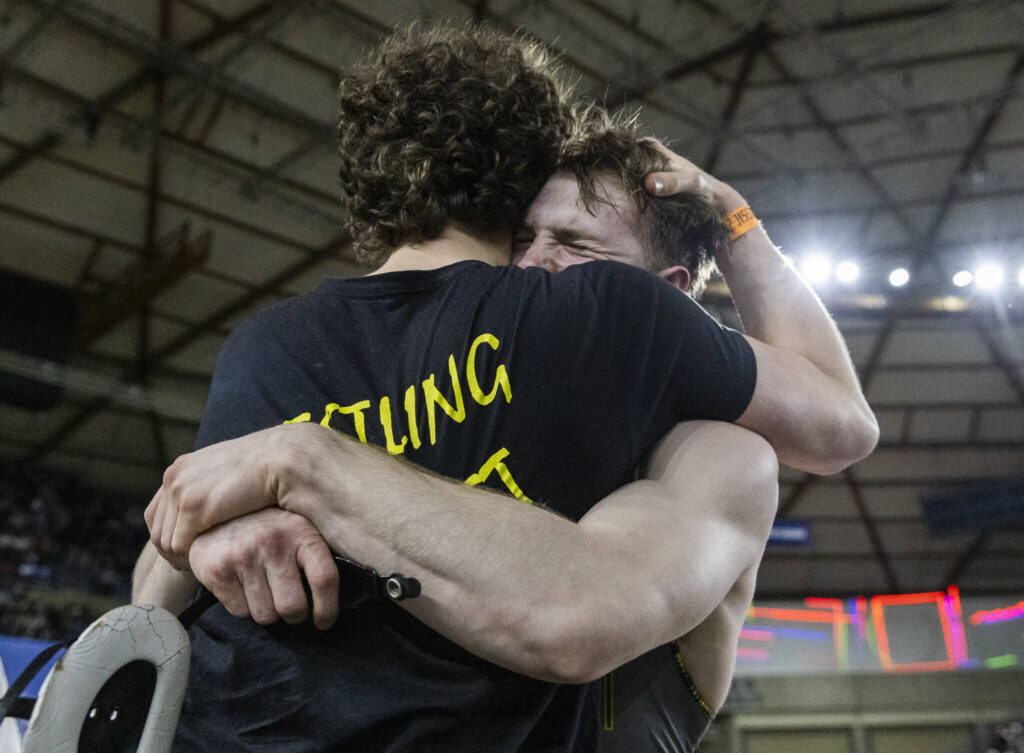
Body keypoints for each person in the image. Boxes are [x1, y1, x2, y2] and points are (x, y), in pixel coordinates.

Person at [135, 23, 876, 752]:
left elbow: (577, 614)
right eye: (527, 238)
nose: (536, 265)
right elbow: (165, 558)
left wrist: (306, 466)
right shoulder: (283, 350)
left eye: (576, 245)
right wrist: (211, 531)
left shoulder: (710, 441)